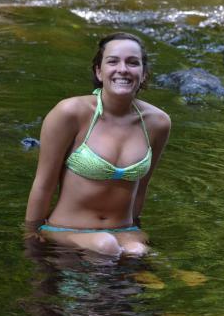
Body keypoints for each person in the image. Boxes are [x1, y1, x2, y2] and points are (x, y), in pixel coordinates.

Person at [25, 32, 171, 257]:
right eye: (113, 61)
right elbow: (44, 183)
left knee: (138, 251)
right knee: (105, 245)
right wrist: (31, 236)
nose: (123, 69)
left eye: (133, 63)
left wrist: (133, 231)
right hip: (66, 230)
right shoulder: (70, 113)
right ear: (98, 71)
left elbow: (142, 188)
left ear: (143, 74)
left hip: (123, 230)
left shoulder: (157, 122)